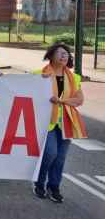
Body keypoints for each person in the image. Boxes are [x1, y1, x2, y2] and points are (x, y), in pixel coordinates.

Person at [32, 43, 85, 203]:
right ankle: (38, 182)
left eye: (66, 53)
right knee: (50, 153)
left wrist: (61, 101)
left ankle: (54, 186)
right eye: (60, 53)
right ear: (51, 55)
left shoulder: (74, 77)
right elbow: (27, 94)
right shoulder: (39, 74)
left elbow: (79, 100)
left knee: (60, 158)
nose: (64, 55)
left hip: (67, 121)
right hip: (46, 121)